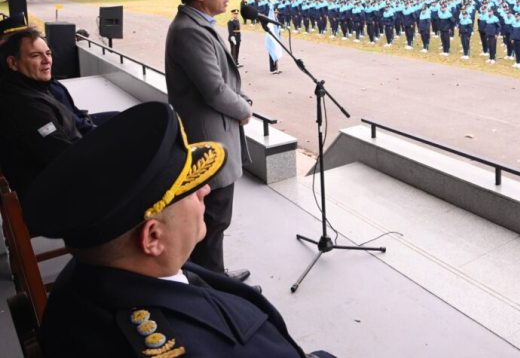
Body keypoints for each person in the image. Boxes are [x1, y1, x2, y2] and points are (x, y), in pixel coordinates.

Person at [23, 101, 335, 358]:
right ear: (153, 237)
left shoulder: (85, 277)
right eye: (188, 188)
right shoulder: (201, 347)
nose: (205, 191)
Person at [165, 0, 252, 282]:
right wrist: (243, 110)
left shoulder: (198, 23)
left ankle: (215, 276)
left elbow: (221, 81)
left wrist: (243, 100)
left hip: (215, 132)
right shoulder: (189, 30)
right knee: (212, 219)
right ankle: (214, 289)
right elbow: (214, 89)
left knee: (215, 219)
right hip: (208, 140)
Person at [0, 20, 99, 198]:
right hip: (58, 195)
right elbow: (64, 159)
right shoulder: (26, 105)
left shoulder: (35, 87)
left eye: (48, 53)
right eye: (36, 55)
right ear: (13, 63)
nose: (47, 60)